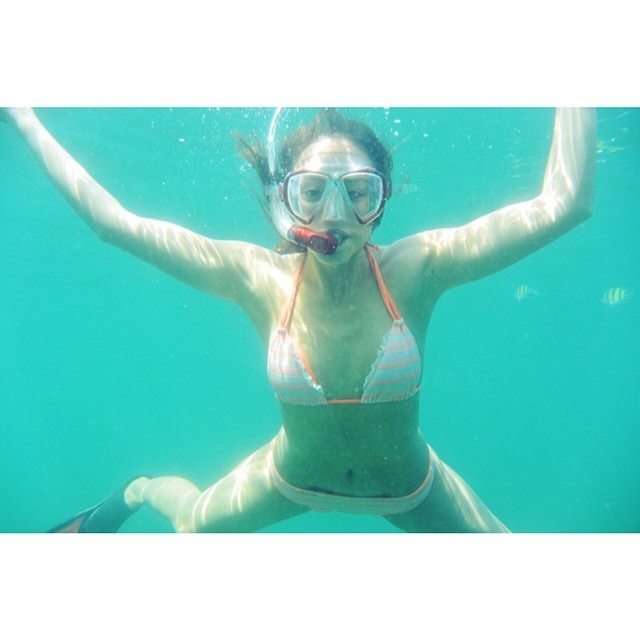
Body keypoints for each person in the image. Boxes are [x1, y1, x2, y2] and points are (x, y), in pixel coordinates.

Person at [2, 107, 596, 533]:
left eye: (358, 192)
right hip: (288, 479)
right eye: (312, 191)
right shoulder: (257, 276)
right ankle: (137, 489)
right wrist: (21, 112)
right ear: (285, 202)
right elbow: (113, 224)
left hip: (412, 489)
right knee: (190, 522)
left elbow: (565, 203)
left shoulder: (419, 267)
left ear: (382, 201)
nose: (335, 214)